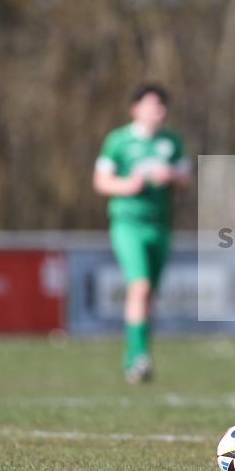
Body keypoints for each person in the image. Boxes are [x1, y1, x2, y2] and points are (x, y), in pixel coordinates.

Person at [93, 84, 192, 383]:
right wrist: (128, 185)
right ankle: (136, 357)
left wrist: (172, 176)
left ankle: (139, 355)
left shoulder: (171, 142)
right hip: (128, 223)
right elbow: (101, 181)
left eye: (162, 107)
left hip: (160, 225)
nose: (157, 112)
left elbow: (187, 179)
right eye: (152, 106)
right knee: (140, 287)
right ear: (135, 108)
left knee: (149, 294)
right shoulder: (119, 141)